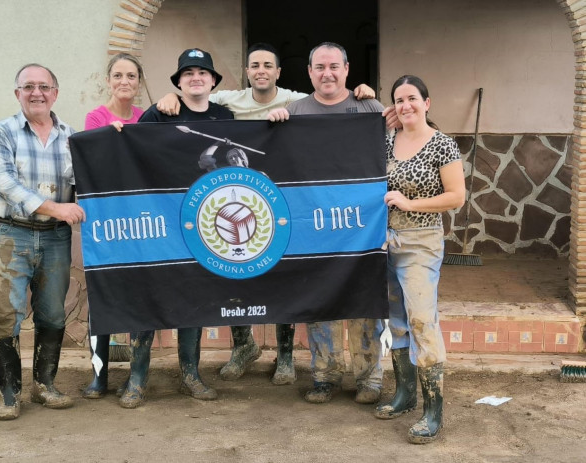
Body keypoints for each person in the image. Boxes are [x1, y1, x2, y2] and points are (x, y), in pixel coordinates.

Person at [157, 42, 377, 385]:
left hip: (291, 200)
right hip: (240, 196)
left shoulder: (298, 100)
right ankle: (245, 346)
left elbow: (335, 95)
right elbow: (196, 96)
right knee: (234, 270)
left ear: (279, 72)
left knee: (284, 275)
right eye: (254, 65)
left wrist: (363, 91)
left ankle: (288, 356)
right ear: (246, 72)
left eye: (268, 65)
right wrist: (167, 98)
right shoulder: (229, 102)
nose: (261, 70)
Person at [268, 42, 387, 405]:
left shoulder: (370, 108)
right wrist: (274, 124)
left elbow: (392, 154)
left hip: (361, 224)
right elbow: (278, 162)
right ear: (308, 73)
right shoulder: (295, 111)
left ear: (347, 69)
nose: (327, 74)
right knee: (321, 301)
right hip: (315, 226)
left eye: (334, 66)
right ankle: (324, 376)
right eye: (319, 67)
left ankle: (370, 378)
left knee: (364, 301)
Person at [118, 48, 234, 409]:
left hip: (205, 223)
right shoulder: (160, 112)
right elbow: (131, 151)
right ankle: (137, 378)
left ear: (213, 81)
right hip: (160, 219)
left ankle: (190, 375)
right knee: (149, 293)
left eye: (202, 72)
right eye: (188, 73)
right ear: (179, 82)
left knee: (194, 297)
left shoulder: (225, 116)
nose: (195, 77)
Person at [0, 63, 86, 421]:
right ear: (17, 94)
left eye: (44, 86)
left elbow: (85, 180)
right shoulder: (1, 132)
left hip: (55, 237)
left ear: (55, 94)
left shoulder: (72, 137)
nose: (36, 93)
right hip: (10, 233)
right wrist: (57, 207)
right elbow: (5, 185)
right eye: (28, 86)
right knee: (4, 315)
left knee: (53, 314)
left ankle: (44, 386)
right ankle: (9, 394)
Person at [374, 75, 464, 444]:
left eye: (412, 98)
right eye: (399, 99)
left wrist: (411, 203)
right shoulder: (385, 140)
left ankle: (433, 410)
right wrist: (377, 119)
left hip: (420, 240)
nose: (406, 105)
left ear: (427, 103)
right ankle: (404, 394)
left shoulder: (442, 145)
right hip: (384, 241)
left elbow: (456, 196)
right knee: (396, 320)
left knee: (422, 320)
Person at [82, 53, 145, 400]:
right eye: (118, 75)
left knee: (139, 295)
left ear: (139, 82)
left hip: (142, 221)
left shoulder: (145, 119)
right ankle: (99, 375)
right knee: (101, 296)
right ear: (108, 80)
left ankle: (136, 374)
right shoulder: (96, 118)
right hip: (107, 222)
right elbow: (96, 165)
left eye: (132, 76)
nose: (125, 82)